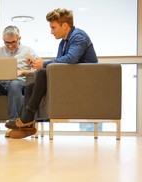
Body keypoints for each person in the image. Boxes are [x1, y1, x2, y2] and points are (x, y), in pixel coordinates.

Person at [6, 8, 98, 139]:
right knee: (29, 87)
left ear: (65, 25)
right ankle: (28, 125)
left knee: (42, 72)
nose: (51, 32)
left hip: (84, 81)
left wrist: (43, 64)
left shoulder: (79, 36)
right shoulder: (63, 42)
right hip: (72, 78)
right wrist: (38, 65)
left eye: (53, 27)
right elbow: (59, 65)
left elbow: (71, 59)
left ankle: (27, 118)